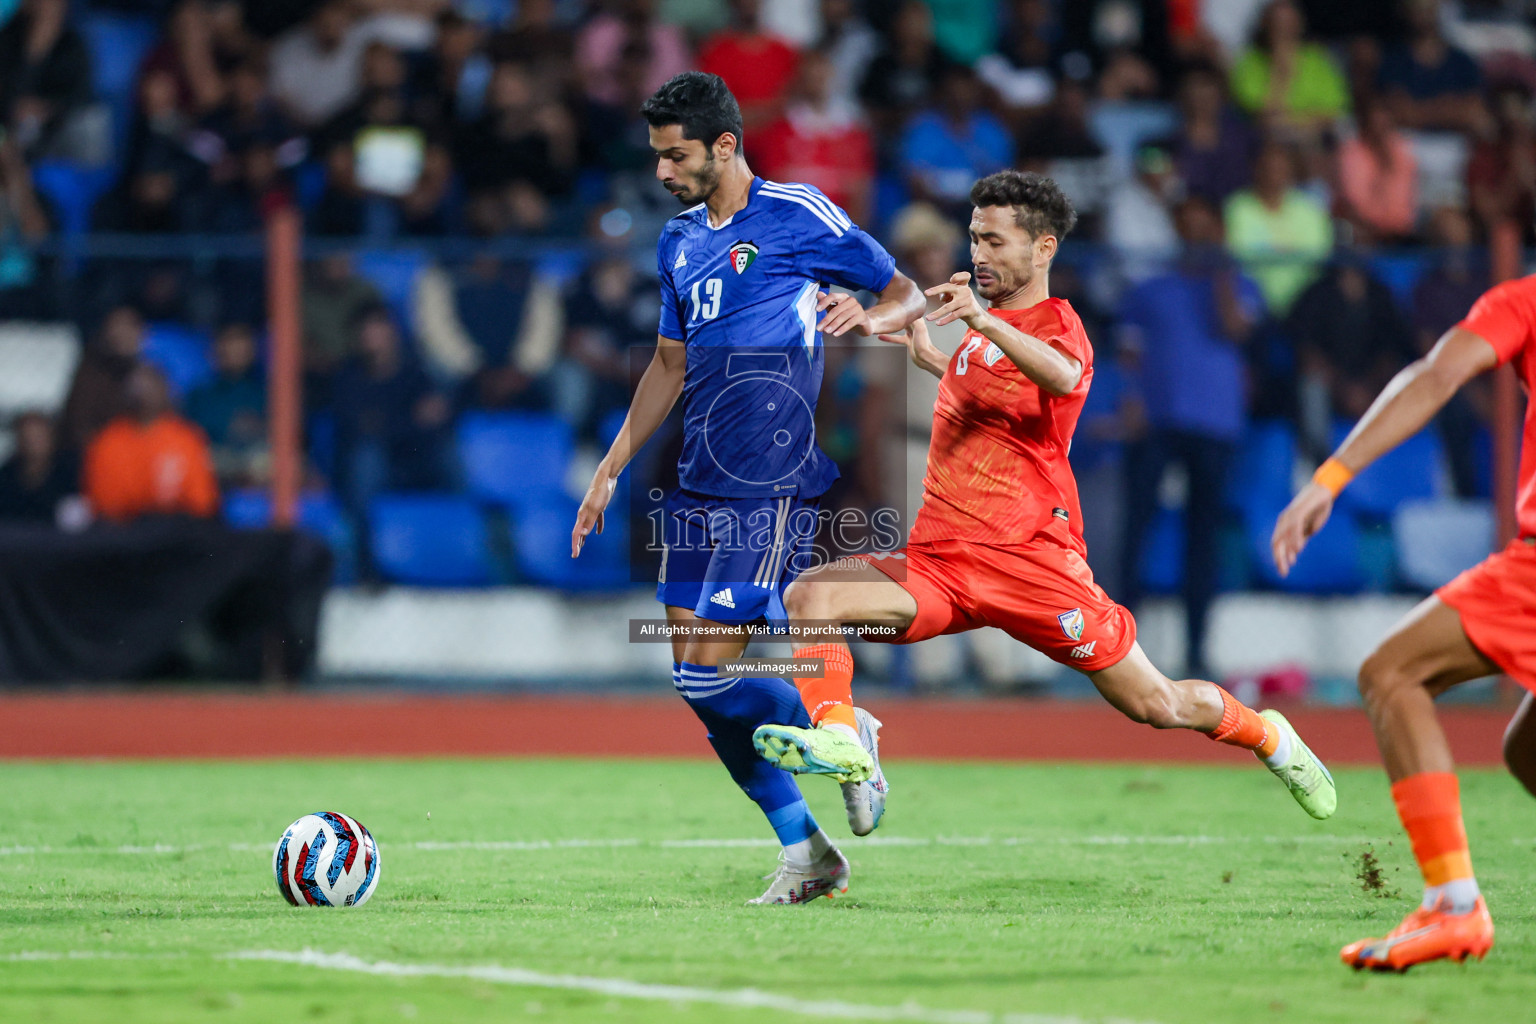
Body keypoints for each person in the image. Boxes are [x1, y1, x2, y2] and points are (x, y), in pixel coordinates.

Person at [754, 171, 1336, 851]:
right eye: (974, 238)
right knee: (813, 597)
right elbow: (994, 397)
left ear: (1043, 249)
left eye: (995, 241)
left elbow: (1063, 379)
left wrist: (980, 320)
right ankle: (847, 740)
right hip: (943, 562)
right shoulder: (982, 328)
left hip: (1033, 567)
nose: (979, 254)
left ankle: (1270, 735)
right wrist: (931, 358)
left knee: (1159, 705)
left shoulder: (1057, 325)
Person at [569, 72, 924, 905]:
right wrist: (611, 465)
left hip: (766, 481)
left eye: (676, 155)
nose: (662, 171)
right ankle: (809, 851)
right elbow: (668, 364)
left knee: (714, 669)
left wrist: (872, 320)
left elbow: (902, 290)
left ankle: (841, 729)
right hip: (696, 480)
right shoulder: (677, 242)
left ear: (725, 146)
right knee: (694, 682)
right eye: (657, 155)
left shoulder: (799, 215)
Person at [1269, 274, 1536, 971]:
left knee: (1392, 672)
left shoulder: (1524, 301)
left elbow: (1437, 375)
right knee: (1527, 751)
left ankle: (1452, 906)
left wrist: (1330, 477)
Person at [1116, 196, 1262, 678]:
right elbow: (1128, 355)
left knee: (1203, 539)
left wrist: (1221, 271)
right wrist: (1131, 397)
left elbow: (1235, 328)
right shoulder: (1150, 289)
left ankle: (1197, 649)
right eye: (1191, 229)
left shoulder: (1239, 285)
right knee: (1137, 530)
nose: (1198, 239)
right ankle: (1114, 647)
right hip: (1157, 421)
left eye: (1207, 231)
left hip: (1214, 424)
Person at [84, 364, 219, 523]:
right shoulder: (108, 441)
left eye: (151, 384)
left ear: (165, 390)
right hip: (124, 536)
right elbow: (105, 504)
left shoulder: (186, 438)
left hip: (179, 534)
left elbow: (202, 502)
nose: (144, 392)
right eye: (138, 385)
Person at [0, 411, 76, 524]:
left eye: (38, 437)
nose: (33, 444)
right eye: (27, 438)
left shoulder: (69, 474)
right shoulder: (6, 476)